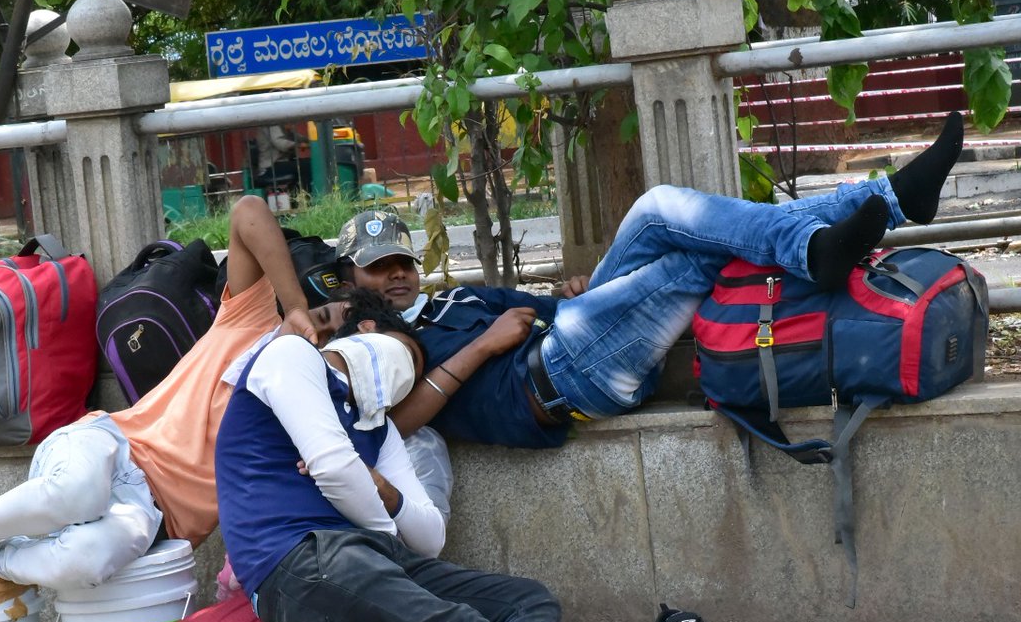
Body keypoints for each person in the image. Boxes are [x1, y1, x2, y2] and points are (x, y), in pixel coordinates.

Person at [214, 306, 735, 622]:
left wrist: (373, 486)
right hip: (297, 562)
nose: (403, 378)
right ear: (365, 332)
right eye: (409, 359)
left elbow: (426, 535)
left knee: (524, 600)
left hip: (366, 554)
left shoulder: (379, 428)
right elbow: (331, 469)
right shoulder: (291, 357)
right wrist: (365, 500)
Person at [0, 198, 438, 590]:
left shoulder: (327, 418)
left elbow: (392, 431)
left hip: (152, 519)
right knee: (76, 492)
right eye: (319, 316)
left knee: (88, 558)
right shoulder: (250, 323)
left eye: (327, 333)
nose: (313, 332)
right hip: (113, 446)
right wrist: (294, 308)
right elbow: (248, 211)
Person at [336, 113, 967, 449]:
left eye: (402, 262)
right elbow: (393, 423)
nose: (395, 275)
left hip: (576, 337)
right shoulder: (365, 345)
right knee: (699, 257)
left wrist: (579, 293)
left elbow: (541, 311)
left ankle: (878, 204)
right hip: (563, 383)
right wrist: (486, 344)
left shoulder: (453, 298)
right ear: (351, 281)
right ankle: (874, 210)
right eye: (378, 267)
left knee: (661, 208)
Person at [254, 124, 304, 191]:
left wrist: (310, 141)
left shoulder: (280, 124)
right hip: (270, 167)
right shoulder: (272, 124)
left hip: (279, 163)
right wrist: (299, 145)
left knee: (304, 164)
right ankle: (307, 196)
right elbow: (280, 143)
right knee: (305, 166)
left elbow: (294, 136)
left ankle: (296, 196)